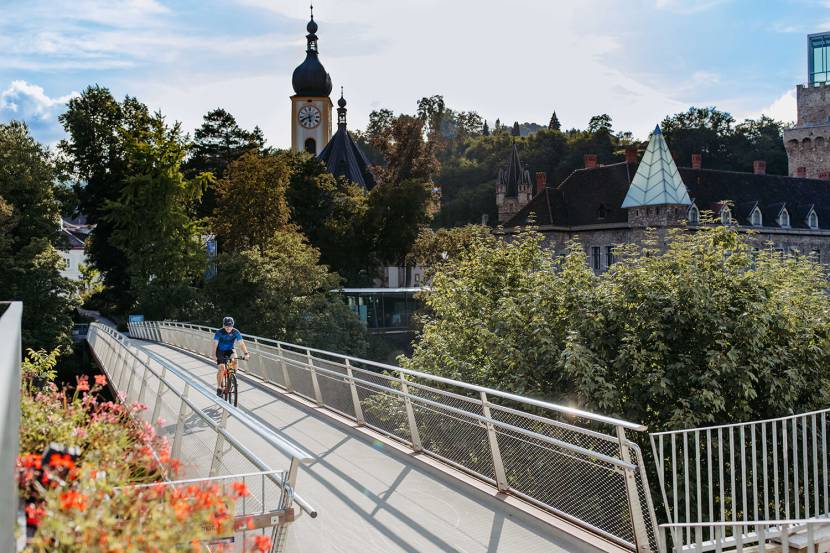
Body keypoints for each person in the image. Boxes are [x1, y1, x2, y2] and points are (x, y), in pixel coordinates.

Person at [213, 316, 250, 397]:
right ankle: (219, 387)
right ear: (223, 325)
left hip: (230, 350)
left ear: (232, 325)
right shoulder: (219, 332)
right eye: (226, 326)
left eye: (230, 326)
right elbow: (215, 343)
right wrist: (214, 354)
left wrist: (246, 353)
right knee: (222, 368)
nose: (228, 327)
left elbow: (241, 343)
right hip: (220, 351)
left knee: (235, 360)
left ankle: (232, 376)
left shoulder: (236, 332)